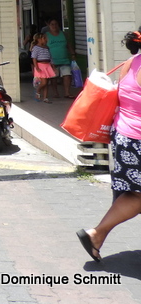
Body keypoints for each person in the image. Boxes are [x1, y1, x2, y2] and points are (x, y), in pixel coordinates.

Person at [78, 29, 141, 262]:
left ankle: (96, 235)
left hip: (124, 136)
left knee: (135, 194)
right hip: (137, 140)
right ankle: (96, 234)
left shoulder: (131, 62)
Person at [45, 19, 76, 98]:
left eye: (56, 24)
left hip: (64, 59)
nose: (54, 26)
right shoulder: (46, 35)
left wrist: (73, 54)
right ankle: (55, 93)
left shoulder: (63, 34)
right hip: (52, 61)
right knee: (54, 78)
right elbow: (43, 47)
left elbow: (68, 44)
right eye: (52, 24)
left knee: (67, 75)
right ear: (49, 25)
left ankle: (67, 93)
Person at [31, 33, 56, 102]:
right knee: (44, 82)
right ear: (39, 39)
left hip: (47, 65)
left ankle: (45, 97)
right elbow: (34, 58)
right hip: (40, 66)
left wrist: (53, 66)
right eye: (44, 38)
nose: (46, 40)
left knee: (46, 83)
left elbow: (50, 57)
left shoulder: (47, 47)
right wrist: (36, 67)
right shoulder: (36, 48)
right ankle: (38, 90)